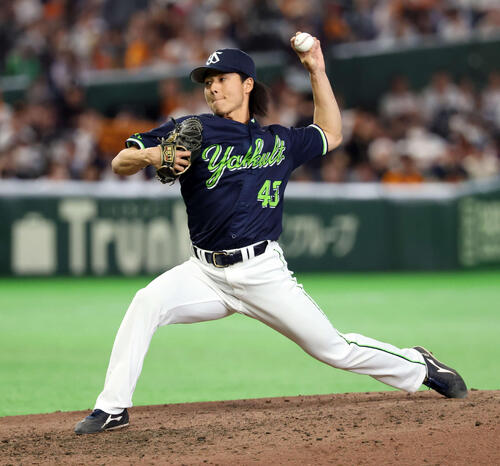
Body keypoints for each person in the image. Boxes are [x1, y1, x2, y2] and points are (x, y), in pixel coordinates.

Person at [74, 33, 467, 434]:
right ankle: (112, 408)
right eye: (208, 81)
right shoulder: (194, 129)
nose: (212, 87)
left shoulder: (279, 141)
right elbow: (120, 161)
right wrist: (149, 154)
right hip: (204, 273)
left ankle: (418, 365)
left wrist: (317, 70)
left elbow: (331, 133)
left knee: (334, 349)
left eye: (221, 78)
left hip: (261, 271)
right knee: (146, 302)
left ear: (247, 84)